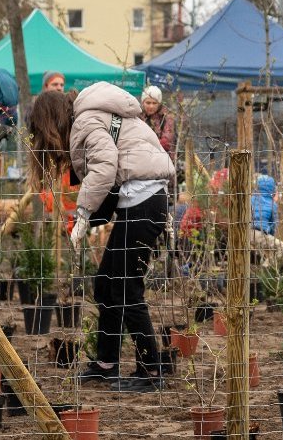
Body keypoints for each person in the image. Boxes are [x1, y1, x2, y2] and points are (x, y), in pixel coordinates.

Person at [61, 82, 177, 392]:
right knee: (107, 284)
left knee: (127, 289)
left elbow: (106, 166)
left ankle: (150, 371)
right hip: (141, 200)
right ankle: (106, 364)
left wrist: (84, 213)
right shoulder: (106, 114)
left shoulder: (87, 119)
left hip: (144, 201)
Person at [139, 85, 176, 155]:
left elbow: (166, 142)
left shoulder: (167, 117)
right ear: (143, 103)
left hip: (163, 158)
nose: (151, 106)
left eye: (154, 103)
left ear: (159, 104)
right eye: (148, 103)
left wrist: (145, 145)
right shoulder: (138, 117)